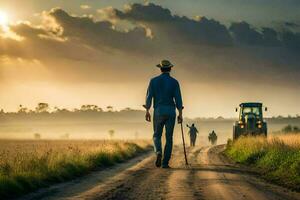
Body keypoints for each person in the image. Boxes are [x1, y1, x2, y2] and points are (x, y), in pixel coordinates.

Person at [144, 60, 183, 169]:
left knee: (157, 135)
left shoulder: (153, 81)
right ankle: (165, 163)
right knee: (169, 138)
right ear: (170, 69)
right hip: (171, 111)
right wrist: (180, 114)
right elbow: (178, 100)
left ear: (160, 69)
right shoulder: (174, 82)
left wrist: (147, 110)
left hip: (158, 111)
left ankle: (158, 152)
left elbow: (149, 98)